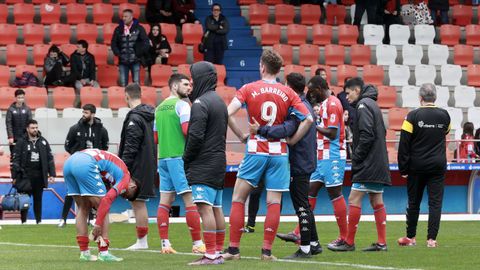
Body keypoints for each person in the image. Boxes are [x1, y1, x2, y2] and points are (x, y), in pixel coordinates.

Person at [223, 49, 313, 261]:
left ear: (262, 67)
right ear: (278, 69)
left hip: (255, 150)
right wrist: (292, 140)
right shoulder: (288, 93)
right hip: (279, 153)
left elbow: (227, 113)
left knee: (238, 198)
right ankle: (266, 252)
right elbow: (308, 119)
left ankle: (234, 250)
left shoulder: (248, 88)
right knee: (274, 202)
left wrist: (242, 135)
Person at [251, 73, 321, 259]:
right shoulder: (305, 105)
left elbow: (286, 130)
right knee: (304, 203)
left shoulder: (297, 109)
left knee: (301, 206)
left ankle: (305, 249)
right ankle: (314, 243)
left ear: (290, 87)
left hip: (299, 162)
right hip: (306, 160)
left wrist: (261, 129)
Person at [277, 75, 348, 251]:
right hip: (321, 155)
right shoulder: (324, 104)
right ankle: (299, 231)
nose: (310, 93)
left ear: (319, 88)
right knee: (309, 191)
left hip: (332, 155)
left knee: (335, 193)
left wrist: (310, 126)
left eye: (312, 89)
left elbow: (332, 133)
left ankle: (345, 238)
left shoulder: (333, 103)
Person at [328, 77, 391, 252]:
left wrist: (356, 156)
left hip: (368, 164)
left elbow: (367, 135)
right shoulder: (372, 104)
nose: (346, 98)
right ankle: (382, 242)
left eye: (348, 94)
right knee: (376, 200)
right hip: (378, 162)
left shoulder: (363, 105)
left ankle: (348, 242)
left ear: (357, 90)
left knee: (354, 198)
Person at [154, 74, 205, 254]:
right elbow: (186, 131)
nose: (189, 88)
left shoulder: (158, 108)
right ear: (174, 86)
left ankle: (165, 244)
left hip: (163, 158)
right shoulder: (183, 105)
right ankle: (198, 243)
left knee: (164, 202)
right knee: (189, 200)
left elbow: (156, 138)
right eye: (185, 84)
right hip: (179, 157)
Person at [183, 61, 228, 265]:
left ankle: (210, 254)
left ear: (201, 77)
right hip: (218, 161)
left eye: (193, 78)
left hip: (204, 163)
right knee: (216, 207)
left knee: (204, 208)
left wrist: (186, 159)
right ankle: (217, 251)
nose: (191, 83)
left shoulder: (201, 103)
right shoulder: (219, 101)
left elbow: (195, 137)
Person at [397, 83, 451, 248]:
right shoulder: (445, 115)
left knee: (414, 202)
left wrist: (403, 168)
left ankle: (411, 237)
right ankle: (431, 240)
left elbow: (404, 144)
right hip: (437, 166)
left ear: (420, 98)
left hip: (416, 166)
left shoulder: (412, 116)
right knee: (435, 203)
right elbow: (446, 133)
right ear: (435, 97)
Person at [65, 149, 141, 262]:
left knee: (83, 207)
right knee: (103, 206)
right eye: (126, 195)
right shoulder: (125, 177)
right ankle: (104, 252)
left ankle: (84, 253)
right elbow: (106, 200)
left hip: (69, 162)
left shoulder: (116, 170)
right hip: (85, 163)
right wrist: (98, 224)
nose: (123, 195)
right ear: (132, 187)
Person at [58, 104, 109, 228]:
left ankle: (91, 219)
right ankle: (63, 219)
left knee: (90, 192)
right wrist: (77, 156)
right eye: (83, 112)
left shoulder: (101, 130)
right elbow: (67, 145)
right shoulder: (75, 128)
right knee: (72, 192)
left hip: (93, 165)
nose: (84, 115)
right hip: (78, 164)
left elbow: (105, 146)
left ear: (93, 114)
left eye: (86, 112)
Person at [118, 83, 156, 250]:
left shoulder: (135, 117)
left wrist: (123, 167)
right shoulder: (150, 115)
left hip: (138, 166)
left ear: (126, 96)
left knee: (138, 202)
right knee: (139, 202)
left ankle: (142, 242)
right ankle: (143, 241)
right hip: (148, 163)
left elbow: (131, 146)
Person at [11, 119, 55, 224]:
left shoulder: (43, 141)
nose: (35, 130)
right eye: (32, 128)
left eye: (36, 127)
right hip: (25, 176)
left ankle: (39, 221)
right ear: (27, 129)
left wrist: (52, 174)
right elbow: (15, 159)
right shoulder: (21, 142)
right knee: (24, 200)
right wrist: (14, 177)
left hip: (39, 176)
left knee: (38, 200)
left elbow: (50, 158)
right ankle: (24, 221)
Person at [111, 9, 149, 87]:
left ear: (131, 17)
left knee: (136, 85)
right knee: (123, 84)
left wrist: (139, 53)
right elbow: (113, 43)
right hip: (122, 61)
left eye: (126, 16)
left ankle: (135, 99)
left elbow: (146, 42)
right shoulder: (118, 29)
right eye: (123, 16)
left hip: (135, 61)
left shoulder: (139, 28)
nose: (124, 18)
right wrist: (118, 53)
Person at [70, 40, 99, 108]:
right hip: (77, 79)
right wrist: (80, 79)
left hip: (88, 78)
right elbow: (74, 70)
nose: (77, 48)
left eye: (78, 47)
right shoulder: (73, 56)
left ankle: (94, 104)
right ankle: (85, 104)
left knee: (97, 87)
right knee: (81, 88)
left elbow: (92, 69)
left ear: (84, 48)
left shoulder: (91, 56)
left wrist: (92, 79)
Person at [6, 89, 32, 160]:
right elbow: (9, 124)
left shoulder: (27, 109)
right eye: (19, 98)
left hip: (25, 137)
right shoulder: (10, 109)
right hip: (14, 138)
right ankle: (14, 171)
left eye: (22, 97)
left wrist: (29, 136)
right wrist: (10, 137)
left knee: (25, 157)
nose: (21, 99)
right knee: (14, 157)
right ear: (15, 98)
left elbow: (30, 124)